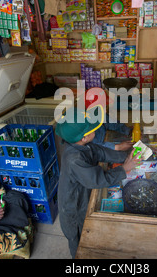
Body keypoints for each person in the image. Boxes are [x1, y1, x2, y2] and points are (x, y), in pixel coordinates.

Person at [55, 105, 140, 258]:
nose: (96, 131)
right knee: (79, 239)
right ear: (84, 137)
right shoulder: (74, 159)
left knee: (86, 228)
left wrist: (126, 157)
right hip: (73, 207)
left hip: (82, 195)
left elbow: (101, 152)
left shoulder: (82, 145)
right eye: (93, 129)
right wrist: (124, 169)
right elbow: (98, 180)